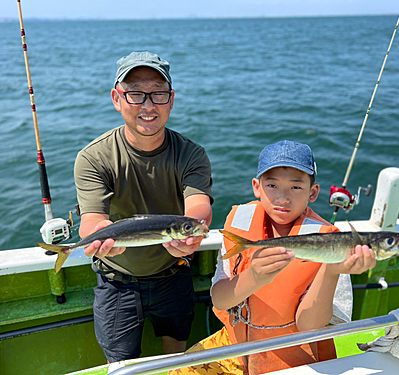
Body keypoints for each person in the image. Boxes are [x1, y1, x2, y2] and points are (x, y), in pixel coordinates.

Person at [170, 140, 376, 375]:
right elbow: (220, 300)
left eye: (296, 187)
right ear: (257, 187)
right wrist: (255, 276)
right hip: (234, 346)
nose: (283, 198)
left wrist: (332, 270)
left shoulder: (330, 243)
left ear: (313, 192)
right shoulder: (239, 222)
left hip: (297, 358)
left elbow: (311, 326)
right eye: (272, 185)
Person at [74, 51, 213, 363]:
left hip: (174, 275)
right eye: (136, 93)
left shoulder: (191, 154)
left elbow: (199, 208)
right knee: (122, 365)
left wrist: (192, 234)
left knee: (177, 351)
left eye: (158, 93)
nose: (148, 105)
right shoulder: (93, 158)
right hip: (116, 280)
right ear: (117, 98)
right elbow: (92, 222)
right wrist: (97, 237)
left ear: (171, 99)